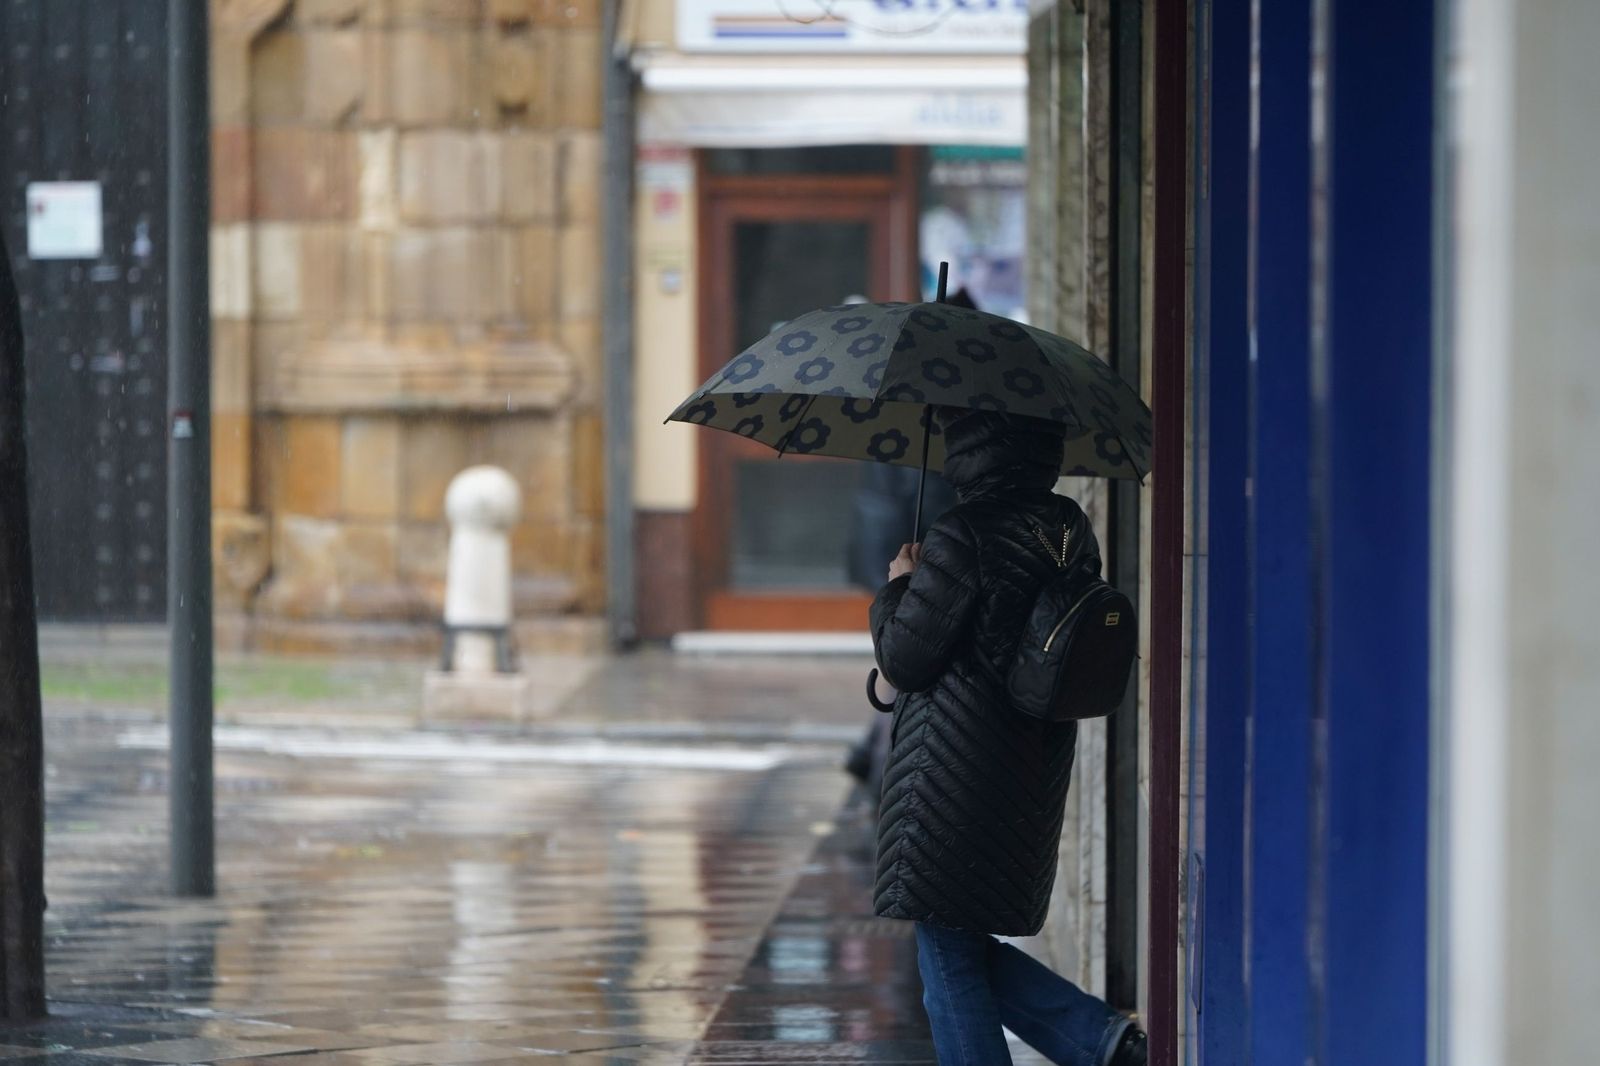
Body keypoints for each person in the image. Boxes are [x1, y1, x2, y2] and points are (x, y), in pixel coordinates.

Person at [869, 405, 1147, 1066]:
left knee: (947, 956)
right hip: (1028, 761)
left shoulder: (963, 531)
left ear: (972, 447)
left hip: (950, 770)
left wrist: (896, 589)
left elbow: (906, 659)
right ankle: (1100, 1041)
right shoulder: (1069, 527)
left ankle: (1098, 1039)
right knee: (956, 941)